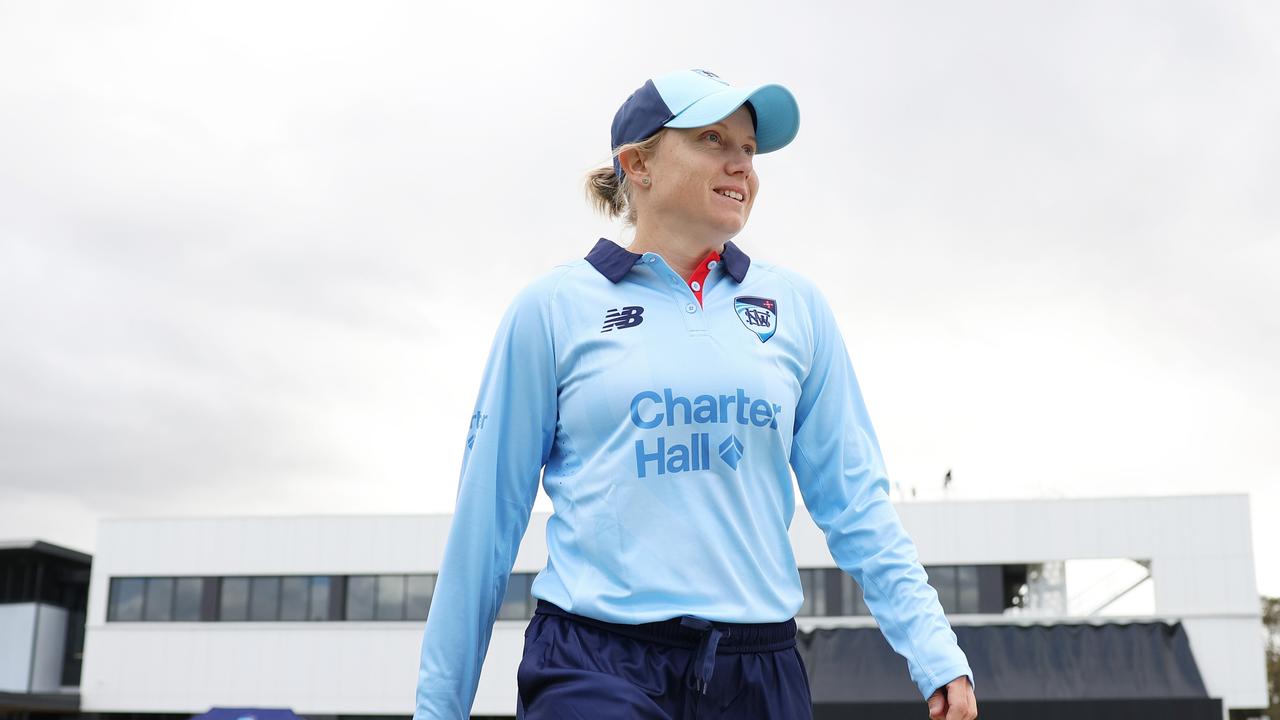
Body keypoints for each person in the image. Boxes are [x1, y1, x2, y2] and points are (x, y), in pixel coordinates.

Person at [414, 68, 979, 720]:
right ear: (638, 164)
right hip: (594, 662)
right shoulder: (552, 310)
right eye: (713, 138)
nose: (742, 164)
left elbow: (857, 505)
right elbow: (485, 529)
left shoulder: (797, 309)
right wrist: (438, 710)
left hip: (758, 673)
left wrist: (935, 651)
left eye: (749, 148)